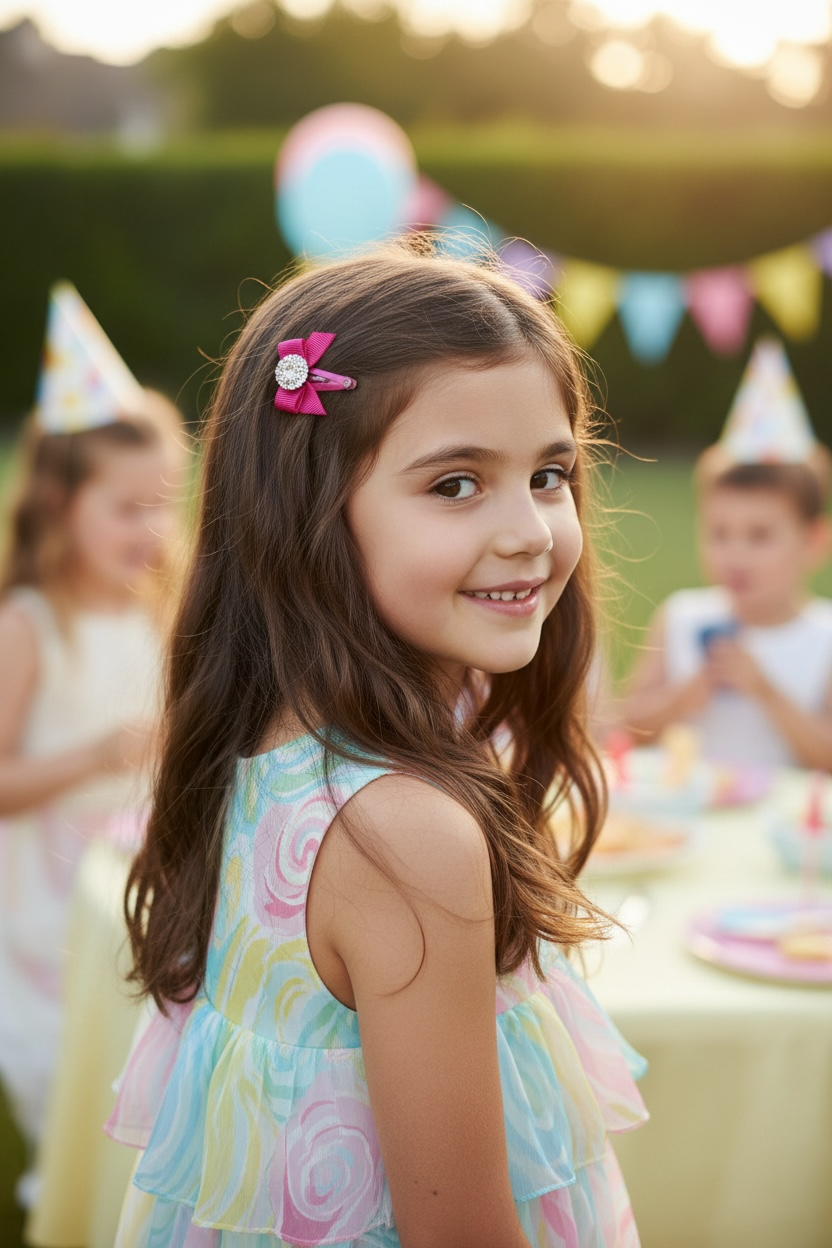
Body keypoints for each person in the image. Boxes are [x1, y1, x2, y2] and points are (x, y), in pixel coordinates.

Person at [107, 243, 648, 1248]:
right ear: (308, 517)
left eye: (549, 473)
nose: (531, 529)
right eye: (454, 485)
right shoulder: (405, 837)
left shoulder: (276, 739)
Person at [0, 282, 188, 1194]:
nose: (154, 529)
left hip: (137, 869)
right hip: (47, 890)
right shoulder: (31, 624)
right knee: (64, 1049)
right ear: (59, 500)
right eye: (128, 507)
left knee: (142, 1039)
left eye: (166, 505)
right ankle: (65, 1181)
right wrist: (96, 756)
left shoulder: (159, 615)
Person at [623, 337, 832, 772]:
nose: (735, 553)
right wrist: (683, 698)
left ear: (813, 542)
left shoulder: (824, 637)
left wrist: (764, 690)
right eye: (720, 533)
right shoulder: (682, 617)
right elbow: (625, 727)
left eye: (759, 536)